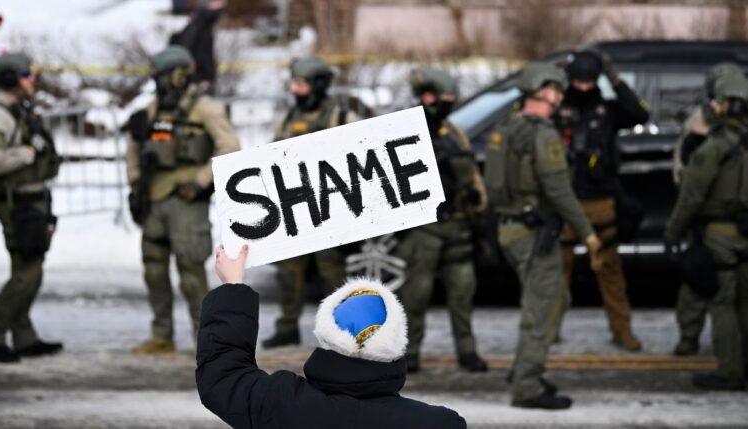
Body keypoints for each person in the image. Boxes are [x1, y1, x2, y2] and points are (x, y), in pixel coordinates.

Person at [196, 244, 467, 428]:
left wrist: (233, 286)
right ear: (397, 344)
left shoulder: (282, 404)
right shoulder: (439, 424)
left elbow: (223, 374)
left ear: (326, 336)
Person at [484, 62, 602, 409]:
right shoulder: (542, 134)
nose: (560, 96)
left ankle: (524, 368)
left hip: (511, 229)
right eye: (557, 89)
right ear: (546, 90)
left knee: (555, 301)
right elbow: (560, 191)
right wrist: (588, 234)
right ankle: (527, 386)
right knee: (542, 309)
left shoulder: (506, 129)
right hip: (534, 233)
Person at [125, 46, 240, 355]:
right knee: (154, 268)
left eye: (161, 76)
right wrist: (135, 181)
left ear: (177, 75)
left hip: (187, 199)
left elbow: (229, 147)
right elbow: (133, 147)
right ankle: (162, 334)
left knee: (191, 271)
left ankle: (207, 342)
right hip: (155, 197)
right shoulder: (151, 111)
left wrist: (201, 180)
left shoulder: (205, 108)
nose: (157, 82)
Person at [552, 50, 650, 351]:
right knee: (556, 272)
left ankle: (622, 331)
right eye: (577, 81)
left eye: (589, 81)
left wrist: (615, 79)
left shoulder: (608, 109)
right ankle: (547, 331)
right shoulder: (557, 106)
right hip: (564, 201)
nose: (583, 88)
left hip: (602, 200)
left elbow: (639, 114)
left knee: (610, 271)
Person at [394, 67, 489, 374]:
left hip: (458, 224)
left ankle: (467, 350)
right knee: (416, 295)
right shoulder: (404, 130)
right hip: (424, 228)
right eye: (444, 97)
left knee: (463, 292)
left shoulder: (453, 132)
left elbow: (472, 174)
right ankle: (409, 352)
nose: (449, 103)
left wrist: (477, 200)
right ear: (429, 97)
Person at [261, 56, 359, 349]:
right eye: (294, 84)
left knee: (331, 273)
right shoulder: (289, 118)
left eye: (301, 84)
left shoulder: (341, 118)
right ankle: (288, 326)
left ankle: (341, 330)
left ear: (317, 85)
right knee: (289, 272)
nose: (296, 90)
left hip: (328, 207)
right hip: (295, 208)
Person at [664, 73, 748, 391]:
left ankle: (730, 371)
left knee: (722, 303)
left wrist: (673, 233)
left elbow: (691, 196)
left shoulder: (714, 148)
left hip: (720, 234)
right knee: (745, 302)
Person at [0, 52, 62, 363]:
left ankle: (23, 336)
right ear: (11, 79)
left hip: (33, 201)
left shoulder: (19, 110)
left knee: (30, 272)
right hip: (18, 205)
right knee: (27, 273)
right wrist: (28, 153)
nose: (31, 79)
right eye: (25, 74)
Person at [170, 0, 226, 95]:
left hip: (202, 81)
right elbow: (186, 52)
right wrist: (201, 78)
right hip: (199, 83)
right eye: (218, 2)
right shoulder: (199, 25)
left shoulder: (204, 24)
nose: (222, 6)